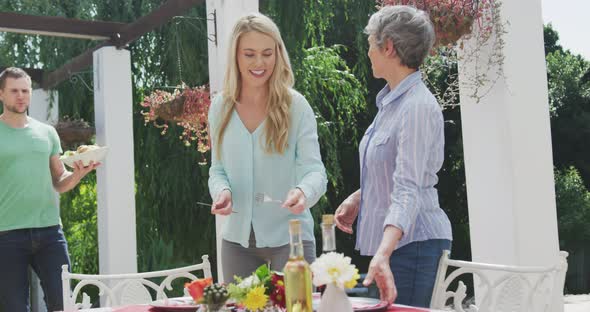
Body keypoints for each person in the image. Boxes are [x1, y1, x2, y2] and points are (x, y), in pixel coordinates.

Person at [334, 5, 453, 308]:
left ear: (387, 47)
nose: (369, 52)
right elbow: (394, 172)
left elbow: (409, 186)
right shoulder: (391, 103)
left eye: (371, 44)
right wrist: (360, 198)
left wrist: (384, 253)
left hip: (413, 246)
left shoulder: (415, 107)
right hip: (397, 247)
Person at [207, 13, 327, 282]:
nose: (259, 63)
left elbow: (315, 172)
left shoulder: (297, 107)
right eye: (249, 54)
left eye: (267, 53)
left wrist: (302, 191)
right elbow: (217, 169)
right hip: (236, 244)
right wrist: (222, 191)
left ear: (278, 54)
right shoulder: (220, 108)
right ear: (236, 57)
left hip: (291, 239)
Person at [0, 67, 100, 312]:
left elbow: (59, 180)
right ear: (1, 94)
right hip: (7, 234)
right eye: (14, 91)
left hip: (50, 232)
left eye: (25, 90)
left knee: (63, 303)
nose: (20, 96)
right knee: (14, 307)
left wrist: (77, 174)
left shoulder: (46, 133)